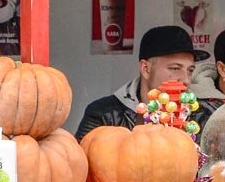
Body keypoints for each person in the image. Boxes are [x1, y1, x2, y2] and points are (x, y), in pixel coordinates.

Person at [75, 25, 208, 142]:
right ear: (146, 69)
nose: (186, 80)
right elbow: (80, 160)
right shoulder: (104, 114)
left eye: (190, 70)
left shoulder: (201, 116)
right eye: (175, 68)